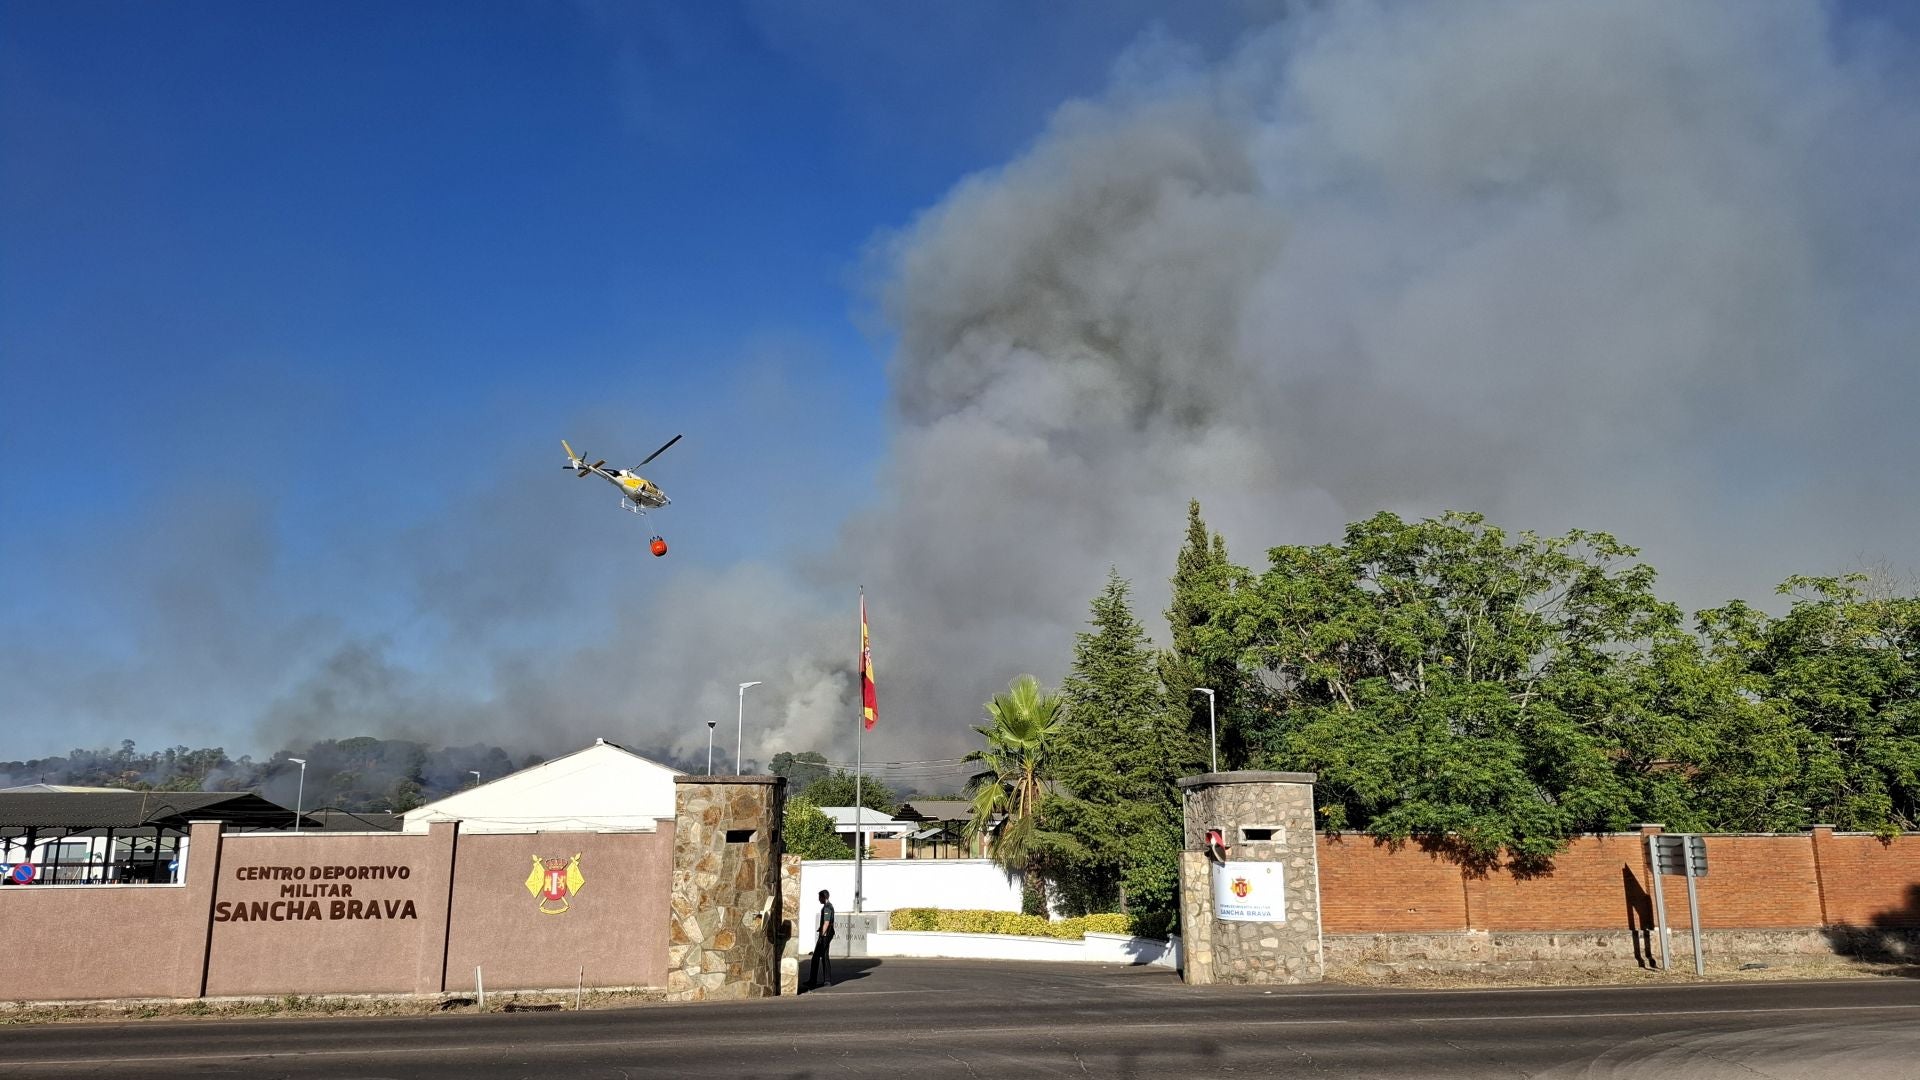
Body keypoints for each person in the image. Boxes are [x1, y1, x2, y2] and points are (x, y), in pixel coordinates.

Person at [809, 889, 835, 989]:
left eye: (820, 897)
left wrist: (822, 934)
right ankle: (827, 981)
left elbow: (826, 923)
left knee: (816, 957)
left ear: (824, 897)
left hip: (825, 935)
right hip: (827, 933)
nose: (818, 899)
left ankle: (813, 981)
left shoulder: (827, 908)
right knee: (824, 956)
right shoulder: (828, 906)